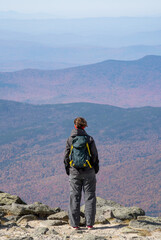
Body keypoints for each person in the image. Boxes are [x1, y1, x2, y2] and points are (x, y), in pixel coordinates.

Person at [64, 117, 99, 229]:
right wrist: (95, 169)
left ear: (75, 126)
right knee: (89, 197)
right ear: (84, 127)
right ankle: (89, 224)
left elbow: (66, 157)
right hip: (89, 171)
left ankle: (75, 225)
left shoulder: (70, 139)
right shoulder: (89, 139)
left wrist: (68, 170)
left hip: (74, 171)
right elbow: (94, 156)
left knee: (74, 197)